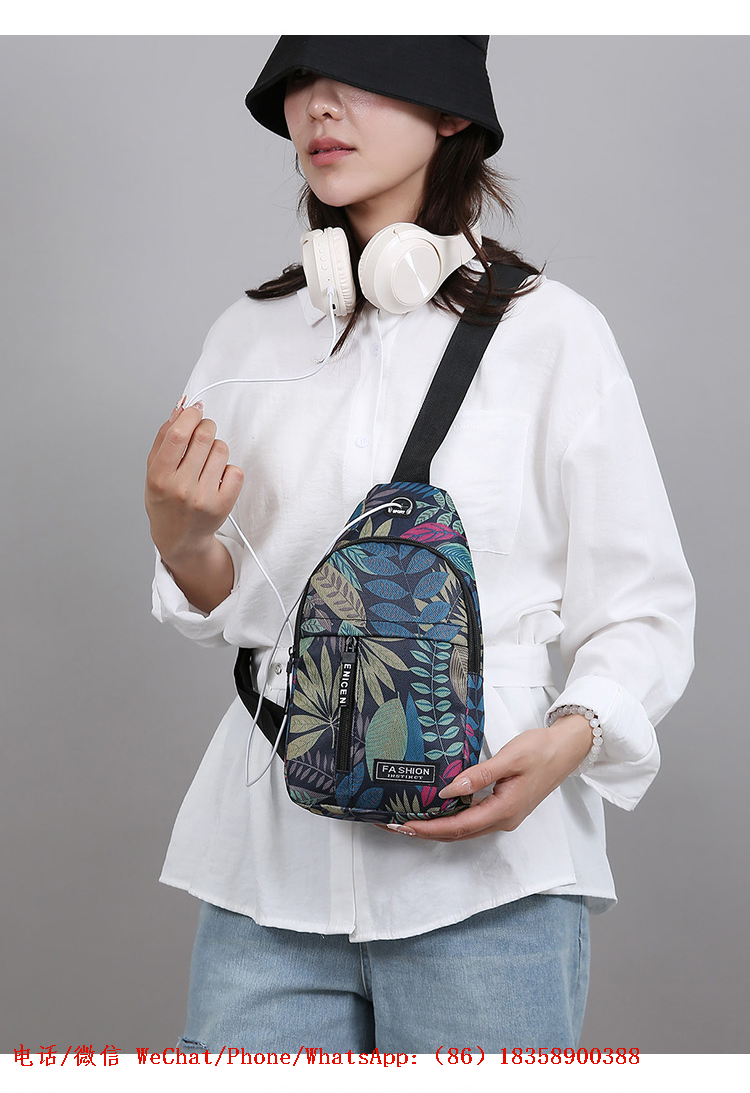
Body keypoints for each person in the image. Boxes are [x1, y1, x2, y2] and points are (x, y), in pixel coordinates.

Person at [145, 36, 695, 1054]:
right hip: (268, 879)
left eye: (357, 79)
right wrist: (182, 542)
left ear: (452, 114)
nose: (318, 108)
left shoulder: (553, 334)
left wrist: (573, 736)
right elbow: (233, 600)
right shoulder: (249, 337)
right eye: (298, 86)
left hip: (490, 885)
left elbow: (644, 606)